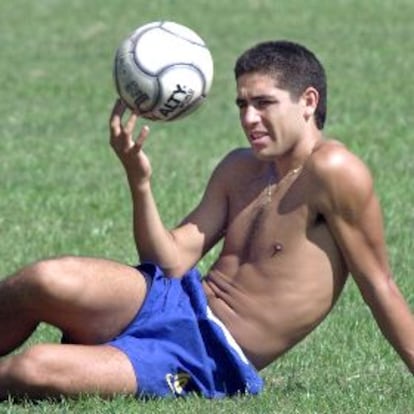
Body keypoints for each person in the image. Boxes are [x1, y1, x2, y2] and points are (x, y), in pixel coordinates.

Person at [0, 40, 413, 401]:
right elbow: (170, 262)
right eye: (242, 105)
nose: (249, 118)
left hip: (209, 354)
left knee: (32, 368)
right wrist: (139, 182)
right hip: (174, 298)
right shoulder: (239, 167)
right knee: (45, 279)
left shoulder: (335, 170)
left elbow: (380, 286)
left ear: (308, 101)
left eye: (264, 103)